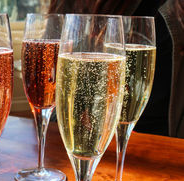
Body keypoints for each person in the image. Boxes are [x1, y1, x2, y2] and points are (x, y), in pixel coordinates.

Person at [49, 0, 184, 138]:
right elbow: (52, 92)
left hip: (163, 146)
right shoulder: (72, 4)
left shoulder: (173, 9)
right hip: (89, 143)